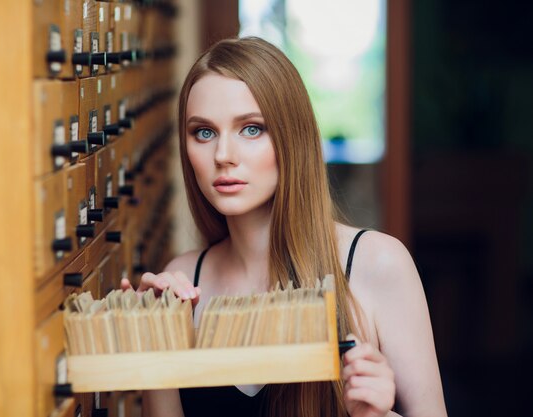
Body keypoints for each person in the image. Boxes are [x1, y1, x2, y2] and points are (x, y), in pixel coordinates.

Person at [121, 37, 447, 417]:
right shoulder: (181, 281)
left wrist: (374, 415)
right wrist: (150, 346)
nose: (223, 156)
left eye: (251, 129)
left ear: (292, 137)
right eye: (204, 132)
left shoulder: (378, 265)